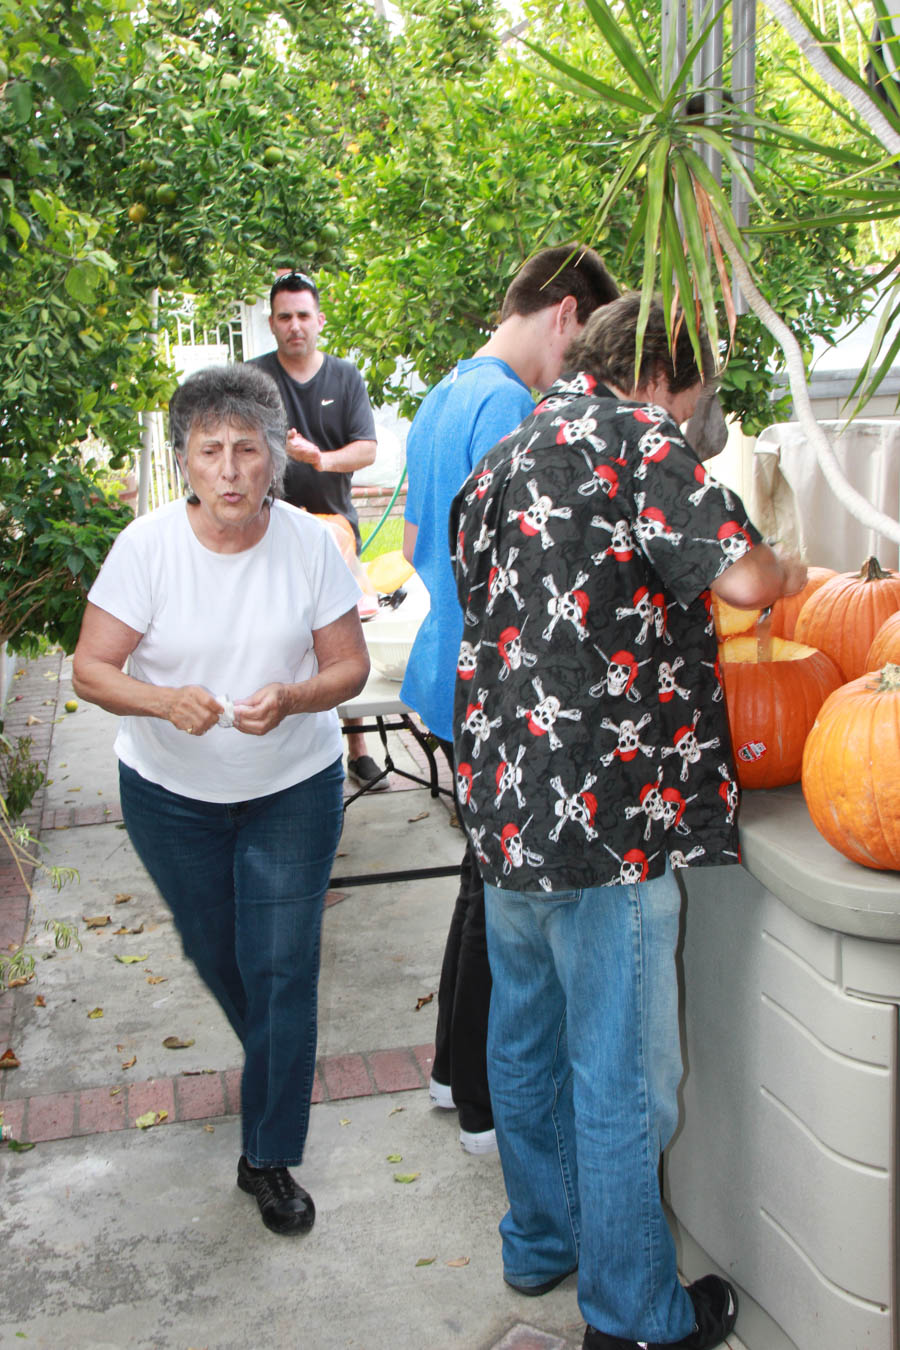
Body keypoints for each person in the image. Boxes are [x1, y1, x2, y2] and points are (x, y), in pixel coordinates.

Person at [449, 294, 806, 1349]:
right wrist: (783, 566)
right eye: (701, 394)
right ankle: (637, 1316)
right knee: (618, 1074)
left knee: (526, 1038)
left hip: (506, 808)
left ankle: (541, 1244)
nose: (701, 415)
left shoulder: (507, 453)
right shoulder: (639, 437)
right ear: (664, 378)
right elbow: (742, 579)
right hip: (609, 819)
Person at [72, 364, 370, 1237]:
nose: (232, 470)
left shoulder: (311, 545)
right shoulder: (148, 548)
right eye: (212, 452)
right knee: (222, 954)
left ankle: (269, 1154)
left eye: (249, 449)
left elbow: (346, 666)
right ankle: (277, 1057)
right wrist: (165, 700)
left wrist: (293, 696)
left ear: (277, 457)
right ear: (186, 462)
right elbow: (92, 669)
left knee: (282, 965)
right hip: (171, 794)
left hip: (294, 786)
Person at [401, 245, 620, 1154]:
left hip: (444, 661)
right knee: (508, 899)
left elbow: (418, 536)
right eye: (582, 351)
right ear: (566, 313)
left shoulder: (446, 389)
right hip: (490, 679)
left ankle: (458, 1075)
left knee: (481, 884)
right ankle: (485, 1100)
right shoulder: (509, 406)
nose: (576, 374)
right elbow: (532, 565)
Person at [250, 269, 384, 790]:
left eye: (304, 315)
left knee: (338, 641)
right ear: (272, 323)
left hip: (333, 531)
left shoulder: (346, 377)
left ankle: (356, 747)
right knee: (273, 639)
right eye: (285, 316)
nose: (295, 326)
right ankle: (274, 743)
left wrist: (319, 458)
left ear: (319, 320)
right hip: (266, 530)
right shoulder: (253, 379)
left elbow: (367, 449)